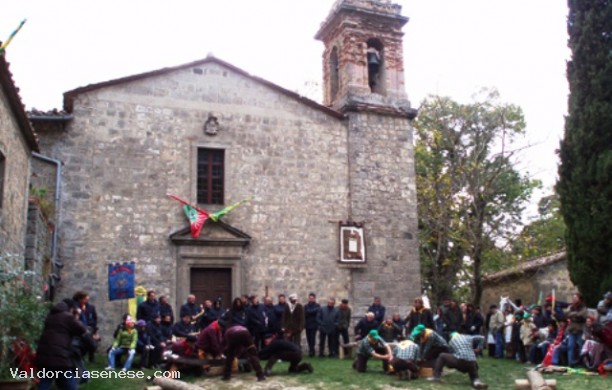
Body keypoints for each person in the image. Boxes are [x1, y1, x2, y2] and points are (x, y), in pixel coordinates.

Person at [36, 301, 87, 390]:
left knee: (45, 382)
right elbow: (81, 329)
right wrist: (77, 315)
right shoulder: (67, 316)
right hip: (59, 356)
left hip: (44, 355)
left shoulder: (50, 317)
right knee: (70, 385)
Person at [304, 292, 321, 357]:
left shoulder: (317, 305)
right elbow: (305, 313)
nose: (311, 299)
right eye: (310, 298)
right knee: (308, 338)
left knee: (312, 338)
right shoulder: (306, 306)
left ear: (314, 299)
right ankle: (310, 350)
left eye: (312, 298)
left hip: (314, 325)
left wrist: (310, 312)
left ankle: (312, 351)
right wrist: (312, 312)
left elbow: (316, 312)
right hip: (307, 325)